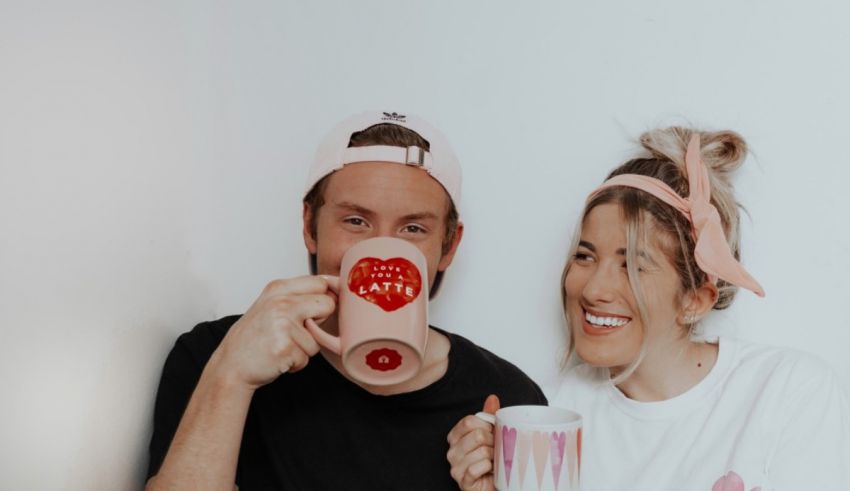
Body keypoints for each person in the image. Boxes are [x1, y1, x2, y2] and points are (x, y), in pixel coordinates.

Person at [145, 111, 547, 490]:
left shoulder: (507, 399)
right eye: (356, 221)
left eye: (412, 228)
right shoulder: (213, 356)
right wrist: (230, 377)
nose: (382, 251)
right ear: (309, 226)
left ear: (448, 246)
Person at [447, 127, 850, 490]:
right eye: (586, 256)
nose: (593, 289)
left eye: (632, 266)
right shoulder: (550, 418)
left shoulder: (787, 392)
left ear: (696, 299)